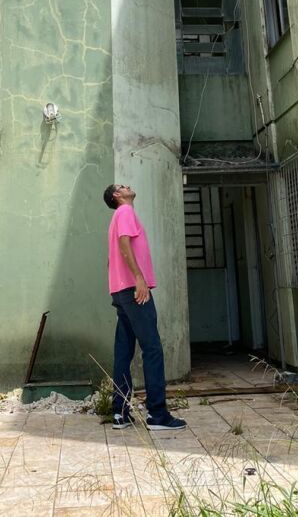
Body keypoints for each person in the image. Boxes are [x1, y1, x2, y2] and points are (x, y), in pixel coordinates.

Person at [103, 182, 186, 431]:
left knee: (124, 352)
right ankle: (157, 415)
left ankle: (119, 413)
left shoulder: (118, 216)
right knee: (152, 349)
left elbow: (114, 255)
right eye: (122, 186)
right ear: (117, 196)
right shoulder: (125, 211)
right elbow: (124, 244)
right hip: (134, 290)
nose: (127, 186)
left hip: (121, 291)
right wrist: (139, 278)